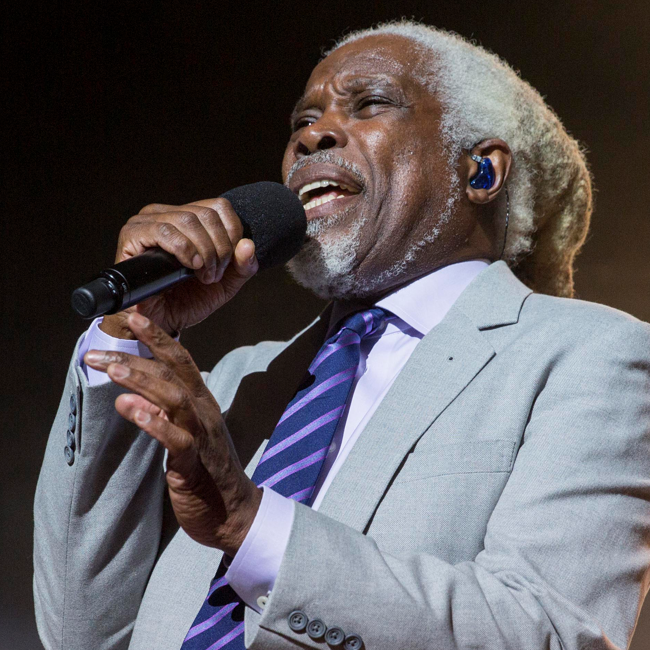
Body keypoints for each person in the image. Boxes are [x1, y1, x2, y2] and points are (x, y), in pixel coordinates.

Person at [34, 20, 650, 650]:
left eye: (370, 103)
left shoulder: (591, 355)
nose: (312, 136)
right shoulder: (237, 381)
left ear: (481, 171)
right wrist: (130, 333)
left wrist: (251, 524)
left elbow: (549, 631)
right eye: (302, 121)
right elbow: (81, 631)